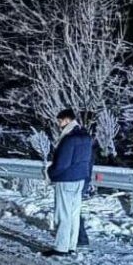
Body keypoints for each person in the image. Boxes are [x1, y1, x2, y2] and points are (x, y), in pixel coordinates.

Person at [43, 108, 93, 257]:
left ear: (66, 120)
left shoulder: (69, 138)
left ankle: (60, 247)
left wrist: (50, 173)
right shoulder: (86, 136)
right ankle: (72, 245)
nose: (59, 124)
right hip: (80, 179)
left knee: (63, 214)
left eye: (60, 121)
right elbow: (89, 161)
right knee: (74, 214)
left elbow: (62, 164)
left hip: (66, 179)